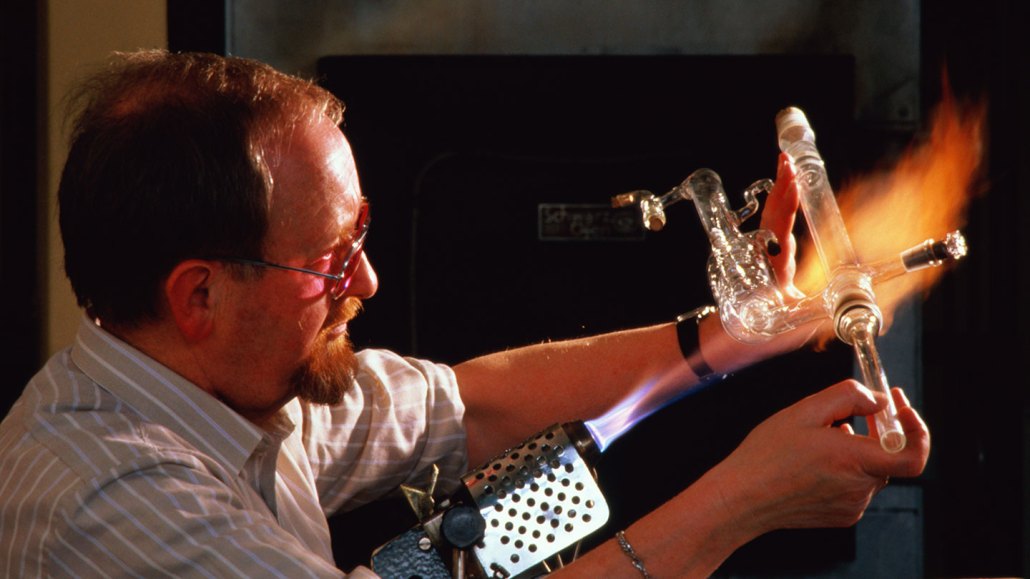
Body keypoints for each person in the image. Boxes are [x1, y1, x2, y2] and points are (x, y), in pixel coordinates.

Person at [0, 50, 929, 578]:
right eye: (330, 258)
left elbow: (467, 405)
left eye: (363, 233)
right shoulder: (112, 498)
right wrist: (746, 499)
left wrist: (729, 334)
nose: (367, 281)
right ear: (199, 295)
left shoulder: (231, 386)